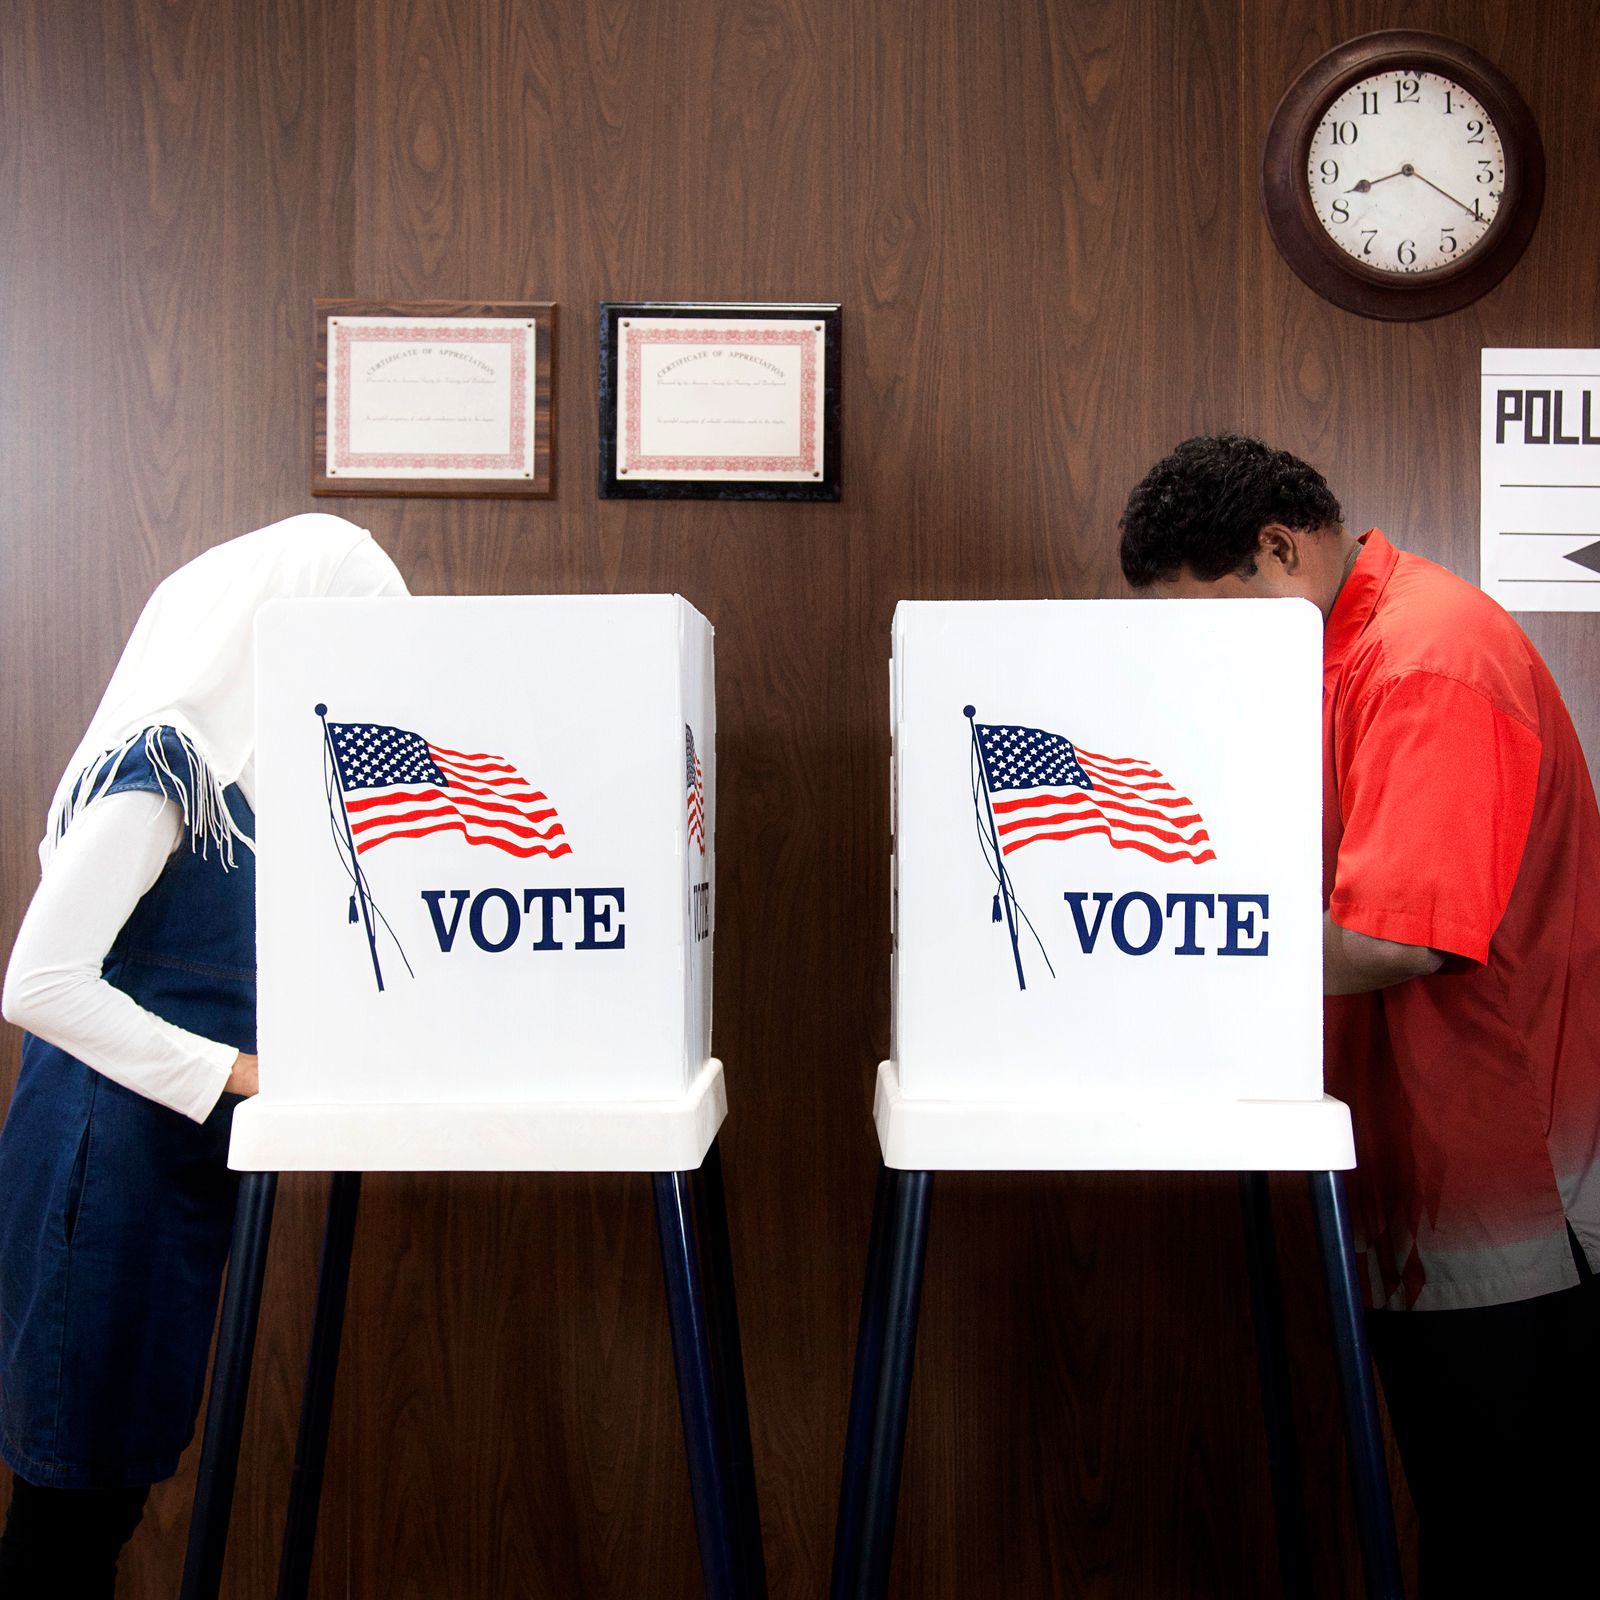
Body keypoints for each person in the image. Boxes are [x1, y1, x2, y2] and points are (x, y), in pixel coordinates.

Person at [1118, 434, 1600, 1595]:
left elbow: (1399, 936)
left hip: (1503, 1175)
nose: (1201, 659)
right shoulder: (1343, 653)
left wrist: (1172, 951)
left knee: (1505, 1536)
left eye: (1203, 620)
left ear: (1276, 548)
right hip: (1418, 1163)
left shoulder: (1426, 657)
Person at [0, 512, 407, 1595]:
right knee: (67, 1510)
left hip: (163, 1169)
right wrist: (241, 1075)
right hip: (98, 1171)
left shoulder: (243, 788)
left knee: (106, 1491)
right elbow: (37, 985)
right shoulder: (164, 768)